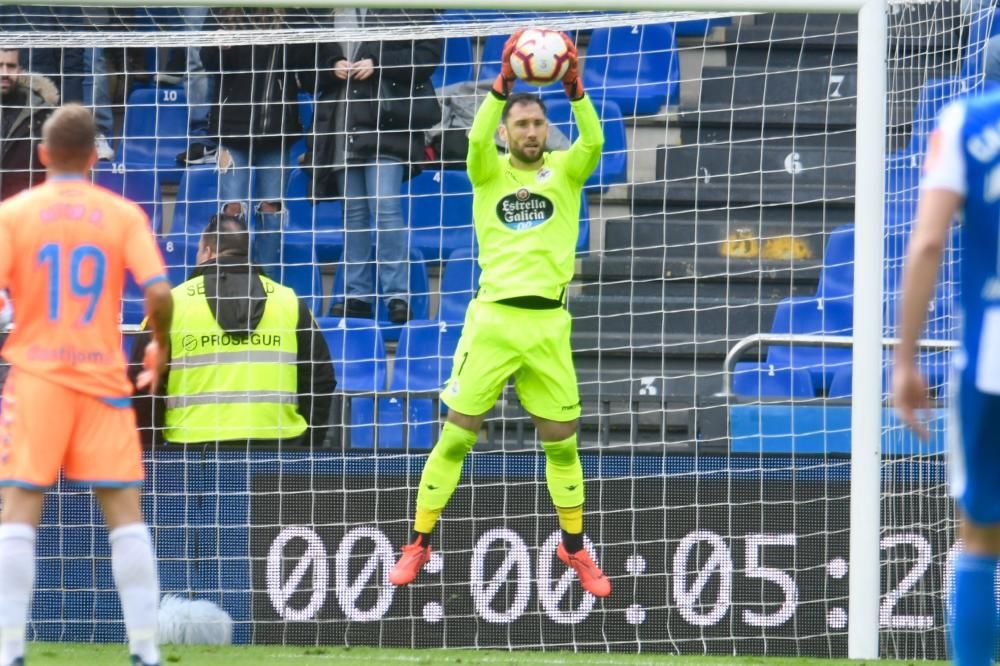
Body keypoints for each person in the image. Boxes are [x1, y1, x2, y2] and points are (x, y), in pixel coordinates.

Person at [388, 32, 610, 598]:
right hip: (492, 320)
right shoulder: (487, 170)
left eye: (537, 124)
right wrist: (502, 87)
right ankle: (418, 542)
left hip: (547, 325)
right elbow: (477, 133)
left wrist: (574, 87)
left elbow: (595, 139)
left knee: (561, 442)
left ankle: (575, 547)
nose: (531, 133)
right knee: (457, 437)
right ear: (508, 132)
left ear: (545, 130)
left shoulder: (566, 170)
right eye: (521, 125)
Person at [0, 104, 173, 666]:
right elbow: (160, 292)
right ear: (95, 156)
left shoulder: (15, 213)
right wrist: (159, 343)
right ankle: (144, 650)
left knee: (20, 506)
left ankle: (9, 650)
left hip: (36, 377)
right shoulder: (121, 213)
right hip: (100, 379)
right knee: (124, 509)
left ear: (44, 155)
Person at [894, 90, 1000, 663]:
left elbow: (929, 241)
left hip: (992, 352)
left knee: (981, 538)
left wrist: (905, 360)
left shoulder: (966, 120)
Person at [130, 214, 336, 449]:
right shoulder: (289, 302)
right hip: (278, 454)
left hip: (192, 453)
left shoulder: (170, 305)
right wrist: (307, 446)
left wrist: (151, 449)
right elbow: (321, 379)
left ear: (207, 251)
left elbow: (141, 381)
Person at [308, 10, 442, 323]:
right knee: (353, 212)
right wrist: (331, 68)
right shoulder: (327, 12)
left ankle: (398, 296)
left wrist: (378, 63)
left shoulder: (407, 8)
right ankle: (357, 296)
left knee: (385, 205)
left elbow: (429, 55)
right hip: (341, 124)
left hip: (387, 125)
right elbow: (303, 65)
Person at [201, 8, 320, 275]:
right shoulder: (221, 9)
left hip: (277, 130)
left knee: (271, 209)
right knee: (231, 209)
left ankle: (264, 280)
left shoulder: (293, 11)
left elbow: (306, 67)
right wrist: (222, 47)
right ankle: (228, 278)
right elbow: (207, 60)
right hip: (232, 128)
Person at [0, 47, 57, 200]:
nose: (4, 73)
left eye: (11, 66)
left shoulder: (45, 116)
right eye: (0, 65)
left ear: (20, 70)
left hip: (26, 215)